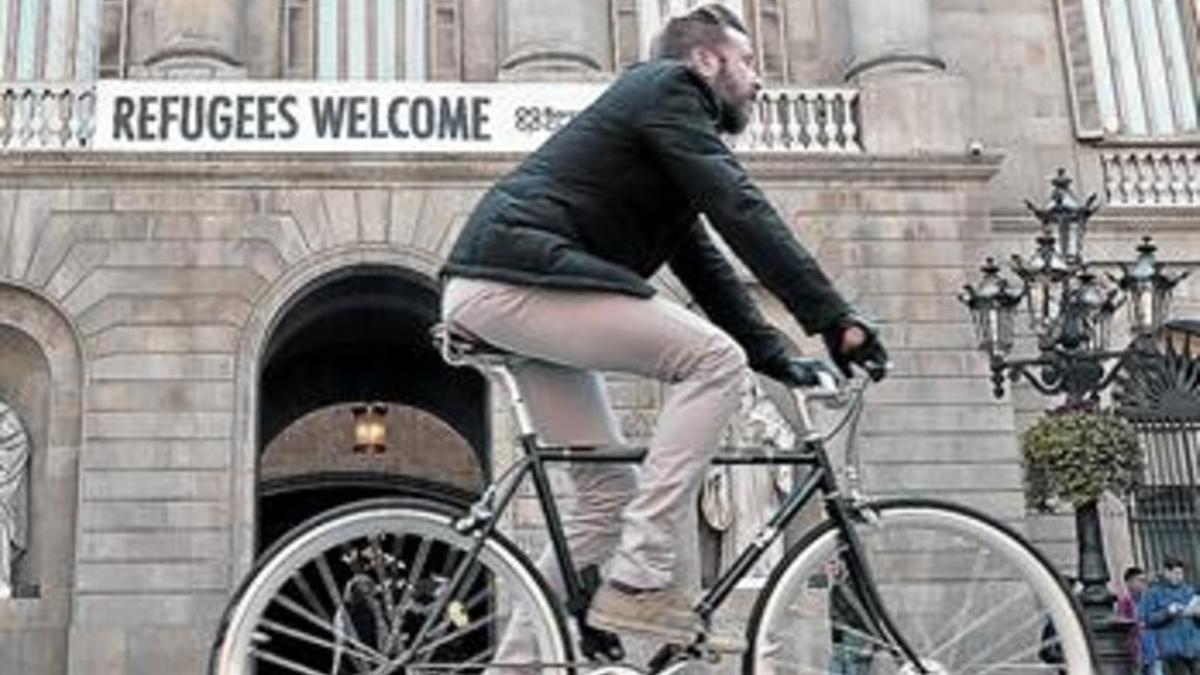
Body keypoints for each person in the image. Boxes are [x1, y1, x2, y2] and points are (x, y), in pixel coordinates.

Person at [439, 3, 887, 651]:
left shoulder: (661, 138)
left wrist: (780, 357)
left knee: (607, 504)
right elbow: (740, 204)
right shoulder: (666, 88)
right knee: (713, 361)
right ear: (706, 60)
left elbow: (705, 263)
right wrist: (835, 319)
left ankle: (518, 663)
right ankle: (642, 578)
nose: (760, 79)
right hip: (512, 282)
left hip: (505, 290)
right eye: (748, 61)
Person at [1140, 557, 1200, 675]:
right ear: (1166, 572)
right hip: (1172, 648)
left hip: (1194, 645)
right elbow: (1148, 620)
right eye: (1175, 573)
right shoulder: (1153, 593)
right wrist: (1167, 612)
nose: (1179, 577)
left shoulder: (1190, 591)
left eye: (1181, 573)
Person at [825, 557, 876, 675]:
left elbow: (867, 614)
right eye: (829, 563)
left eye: (834, 563)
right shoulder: (836, 587)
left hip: (856, 639)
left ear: (844, 564)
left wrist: (870, 642)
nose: (830, 567)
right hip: (840, 641)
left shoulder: (855, 586)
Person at [1119, 566, 1163, 675]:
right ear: (1129, 582)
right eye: (1139, 580)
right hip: (1135, 651)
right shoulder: (1125, 602)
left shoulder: (1149, 599)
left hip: (1153, 650)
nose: (1143, 584)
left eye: (1144, 580)